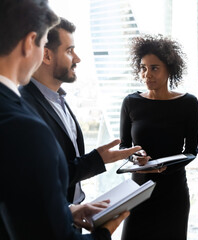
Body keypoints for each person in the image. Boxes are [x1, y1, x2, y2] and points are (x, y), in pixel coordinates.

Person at [0, 0, 131, 239]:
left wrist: (67, 210)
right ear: (31, 43)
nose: (78, 58)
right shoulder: (24, 126)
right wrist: (103, 232)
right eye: (70, 50)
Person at [19, 18, 140, 204]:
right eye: (69, 51)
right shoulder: (23, 107)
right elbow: (39, 179)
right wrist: (96, 160)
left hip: (72, 217)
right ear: (47, 55)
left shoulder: (59, 99)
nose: (77, 59)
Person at [119, 34, 198, 240]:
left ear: (169, 69)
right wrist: (135, 158)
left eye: (154, 68)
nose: (147, 74)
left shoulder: (189, 103)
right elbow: (124, 147)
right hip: (138, 192)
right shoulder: (130, 102)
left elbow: (191, 151)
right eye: (143, 68)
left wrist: (166, 167)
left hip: (172, 194)